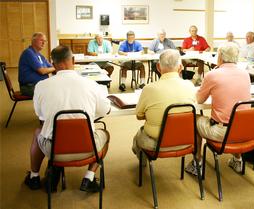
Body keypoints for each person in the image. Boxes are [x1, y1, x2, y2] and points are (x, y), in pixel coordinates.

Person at [24, 45, 111, 193]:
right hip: (87, 148)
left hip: (54, 150)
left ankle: (34, 177)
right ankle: (88, 178)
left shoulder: (41, 86)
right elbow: (105, 110)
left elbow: (41, 115)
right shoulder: (91, 84)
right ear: (73, 60)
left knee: (40, 131)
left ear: (52, 63)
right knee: (105, 134)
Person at [185, 43, 251, 175]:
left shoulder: (213, 75)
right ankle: (237, 160)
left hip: (222, 132)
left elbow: (199, 100)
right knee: (236, 118)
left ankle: (197, 163)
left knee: (194, 119)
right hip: (244, 130)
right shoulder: (245, 74)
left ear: (219, 56)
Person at [132, 49, 196, 158]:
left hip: (156, 144)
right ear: (180, 67)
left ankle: (143, 161)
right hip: (185, 141)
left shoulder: (149, 89)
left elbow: (139, 115)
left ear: (158, 67)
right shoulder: (190, 85)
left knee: (138, 136)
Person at [18, 32, 55, 97]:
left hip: (39, 84)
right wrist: (56, 68)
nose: (43, 43)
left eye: (45, 41)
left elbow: (51, 67)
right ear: (33, 41)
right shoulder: (28, 53)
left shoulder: (40, 55)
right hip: (29, 87)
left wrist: (56, 67)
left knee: (57, 87)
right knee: (54, 91)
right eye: (41, 40)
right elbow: (42, 71)